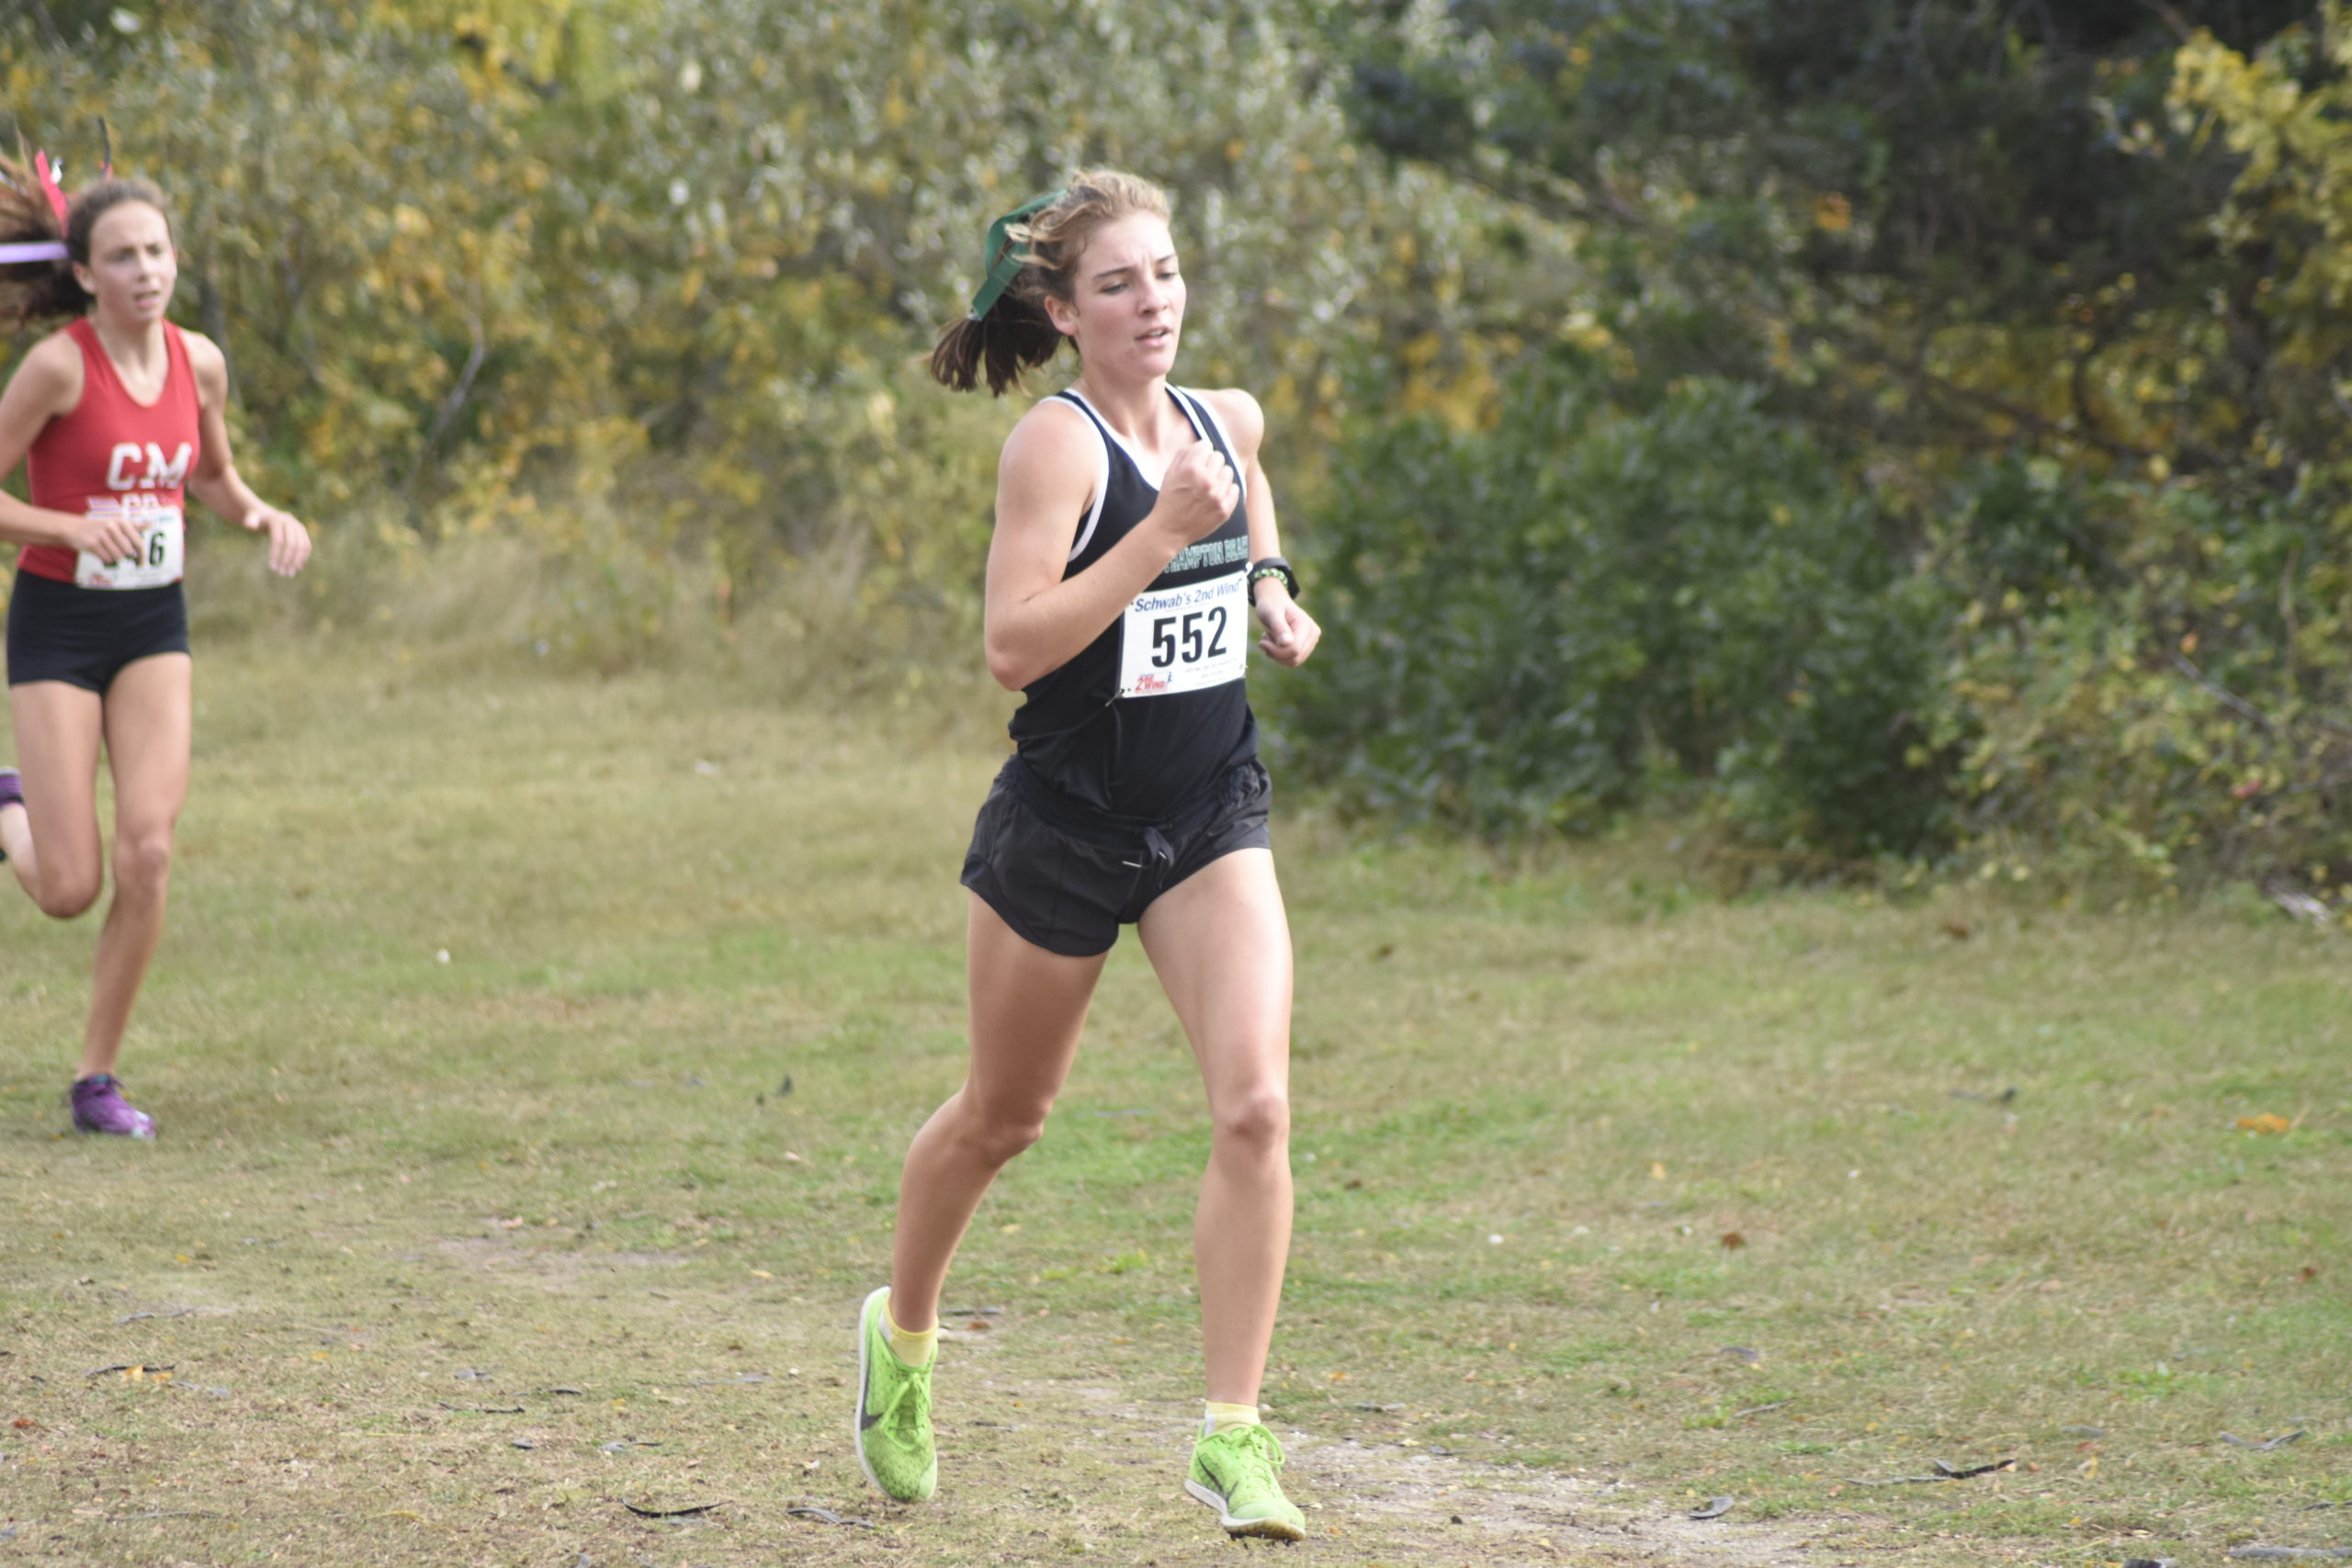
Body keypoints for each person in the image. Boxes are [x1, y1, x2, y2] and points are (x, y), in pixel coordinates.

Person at [852, 171, 1322, 1541]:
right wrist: (1164, 536)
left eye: (1166, 273)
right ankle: (906, 1334)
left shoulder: (1223, 418)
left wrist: (1270, 588)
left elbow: (1255, 503)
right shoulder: (1054, 451)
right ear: (1063, 310)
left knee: (1256, 1107)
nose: (1153, 301)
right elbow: (1014, 642)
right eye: (1118, 284)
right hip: (1064, 824)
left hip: (1207, 814)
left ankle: (1233, 1434)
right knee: (1006, 1116)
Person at [0, 145, 311, 1136]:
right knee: (66, 886)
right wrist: (68, 527)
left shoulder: (199, 361)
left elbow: (209, 478)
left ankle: (97, 1081)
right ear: (85, 273)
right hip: (57, 627)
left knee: (148, 853)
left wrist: (263, 513)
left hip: (151, 626)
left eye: (157, 252)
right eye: (122, 257)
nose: (145, 272)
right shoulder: (56, 368)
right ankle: (7, 806)